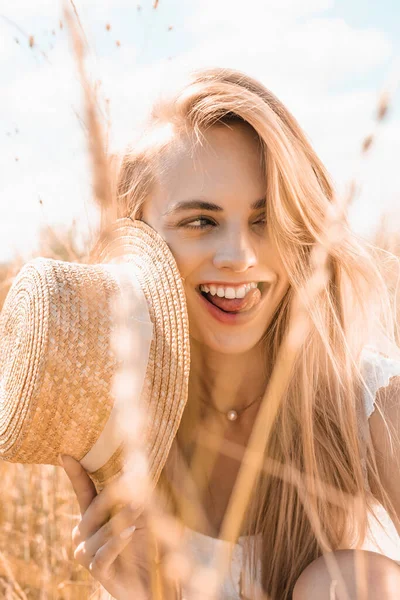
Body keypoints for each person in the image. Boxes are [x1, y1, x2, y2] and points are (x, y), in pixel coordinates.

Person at [61, 67, 400, 599]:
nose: (240, 257)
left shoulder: (370, 405)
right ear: (137, 235)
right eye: (201, 221)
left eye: (266, 220)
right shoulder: (112, 427)